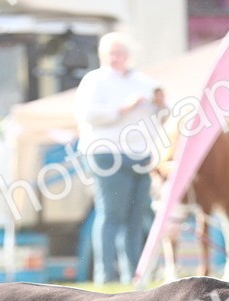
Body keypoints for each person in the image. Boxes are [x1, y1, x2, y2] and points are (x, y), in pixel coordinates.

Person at [74, 32, 165, 285]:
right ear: (103, 56)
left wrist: (161, 105)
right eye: (111, 54)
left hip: (141, 154)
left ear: (129, 55)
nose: (115, 59)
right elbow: (88, 114)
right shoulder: (94, 80)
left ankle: (133, 274)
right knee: (111, 214)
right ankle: (105, 275)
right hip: (106, 153)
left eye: (120, 53)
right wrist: (123, 108)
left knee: (136, 217)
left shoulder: (145, 81)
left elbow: (161, 114)